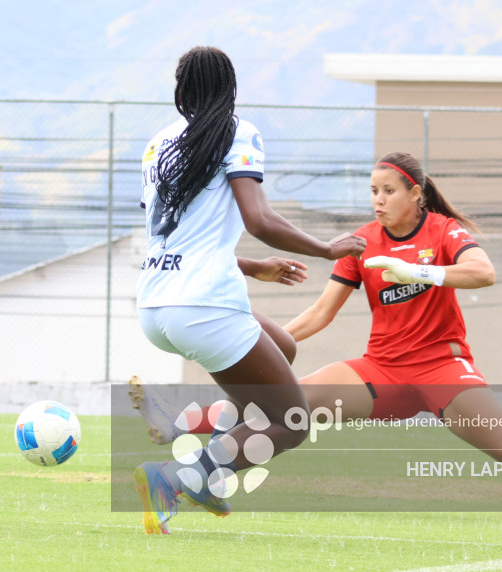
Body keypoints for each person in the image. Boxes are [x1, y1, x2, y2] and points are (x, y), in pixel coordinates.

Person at [282, 151, 502, 524]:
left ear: (415, 193)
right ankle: (235, 475)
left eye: (389, 191)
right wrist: (266, 344)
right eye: (374, 191)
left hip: (441, 367)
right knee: (285, 401)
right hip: (382, 369)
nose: (379, 200)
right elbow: (321, 312)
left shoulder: (442, 230)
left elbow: (484, 273)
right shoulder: (361, 242)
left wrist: (419, 272)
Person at [132, 45, 365, 535]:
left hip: (155, 303)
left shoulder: (158, 144)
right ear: (230, 89)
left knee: (282, 345)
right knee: (293, 421)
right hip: (202, 306)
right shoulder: (236, 131)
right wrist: (327, 249)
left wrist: (253, 267)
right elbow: (259, 219)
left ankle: (209, 475)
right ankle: (177, 478)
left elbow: (173, 238)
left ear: (180, 91)